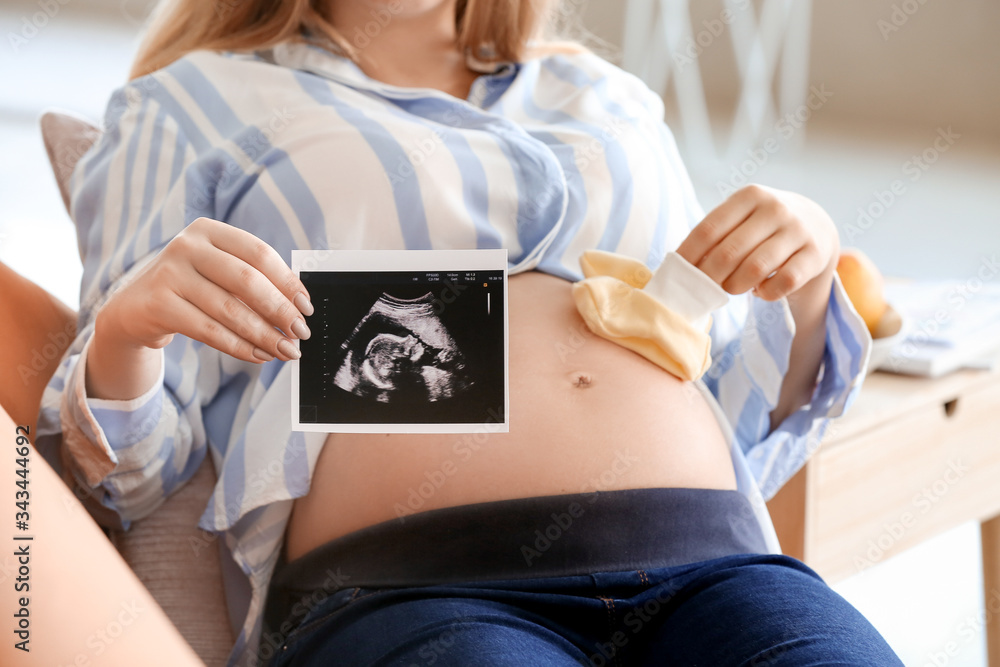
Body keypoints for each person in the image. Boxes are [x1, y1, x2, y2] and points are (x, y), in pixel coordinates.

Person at [36, 0, 902, 664]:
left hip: (709, 554)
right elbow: (126, 479)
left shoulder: (608, 97)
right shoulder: (191, 103)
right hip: (414, 580)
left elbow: (738, 410)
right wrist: (126, 329)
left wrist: (810, 272)